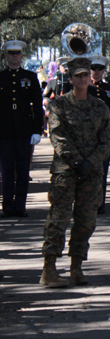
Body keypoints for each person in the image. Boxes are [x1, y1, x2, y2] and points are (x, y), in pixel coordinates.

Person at [41, 57, 110, 287]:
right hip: (66, 171)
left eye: (85, 75)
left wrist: (91, 162)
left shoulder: (99, 106)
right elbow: (58, 136)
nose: (82, 79)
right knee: (58, 219)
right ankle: (49, 269)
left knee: (86, 220)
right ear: (70, 79)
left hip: (91, 172)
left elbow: (106, 138)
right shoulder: (59, 105)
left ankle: (76, 266)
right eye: (78, 76)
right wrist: (77, 161)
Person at [1, 40, 44, 219]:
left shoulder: (30, 77)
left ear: (21, 56)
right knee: (7, 171)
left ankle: (20, 206)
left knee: (23, 171)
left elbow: (37, 105)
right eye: (11, 54)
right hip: (4, 131)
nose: (14, 56)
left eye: (17, 53)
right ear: (6, 56)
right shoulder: (1, 77)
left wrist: (37, 130)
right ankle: (7, 207)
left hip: (24, 131)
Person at [88, 55, 110, 214]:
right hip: (85, 136)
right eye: (93, 68)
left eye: (99, 69)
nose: (96, 72)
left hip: (104, 135)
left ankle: (100, 203)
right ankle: (86, 202)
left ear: (104, 71)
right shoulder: (82, 87)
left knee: (102, 170)